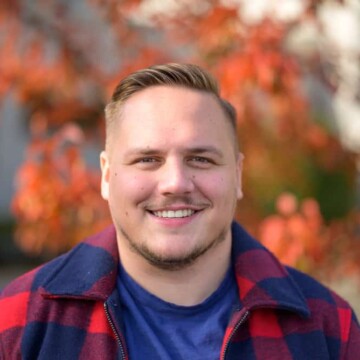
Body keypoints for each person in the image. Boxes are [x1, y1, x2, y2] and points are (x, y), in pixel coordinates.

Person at [0, 63, 359, 359]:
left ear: (237, 175)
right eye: (147, 159)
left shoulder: (328, 327)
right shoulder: (19, 320)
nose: (175, 182)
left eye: (200, 159)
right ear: (108, 176)